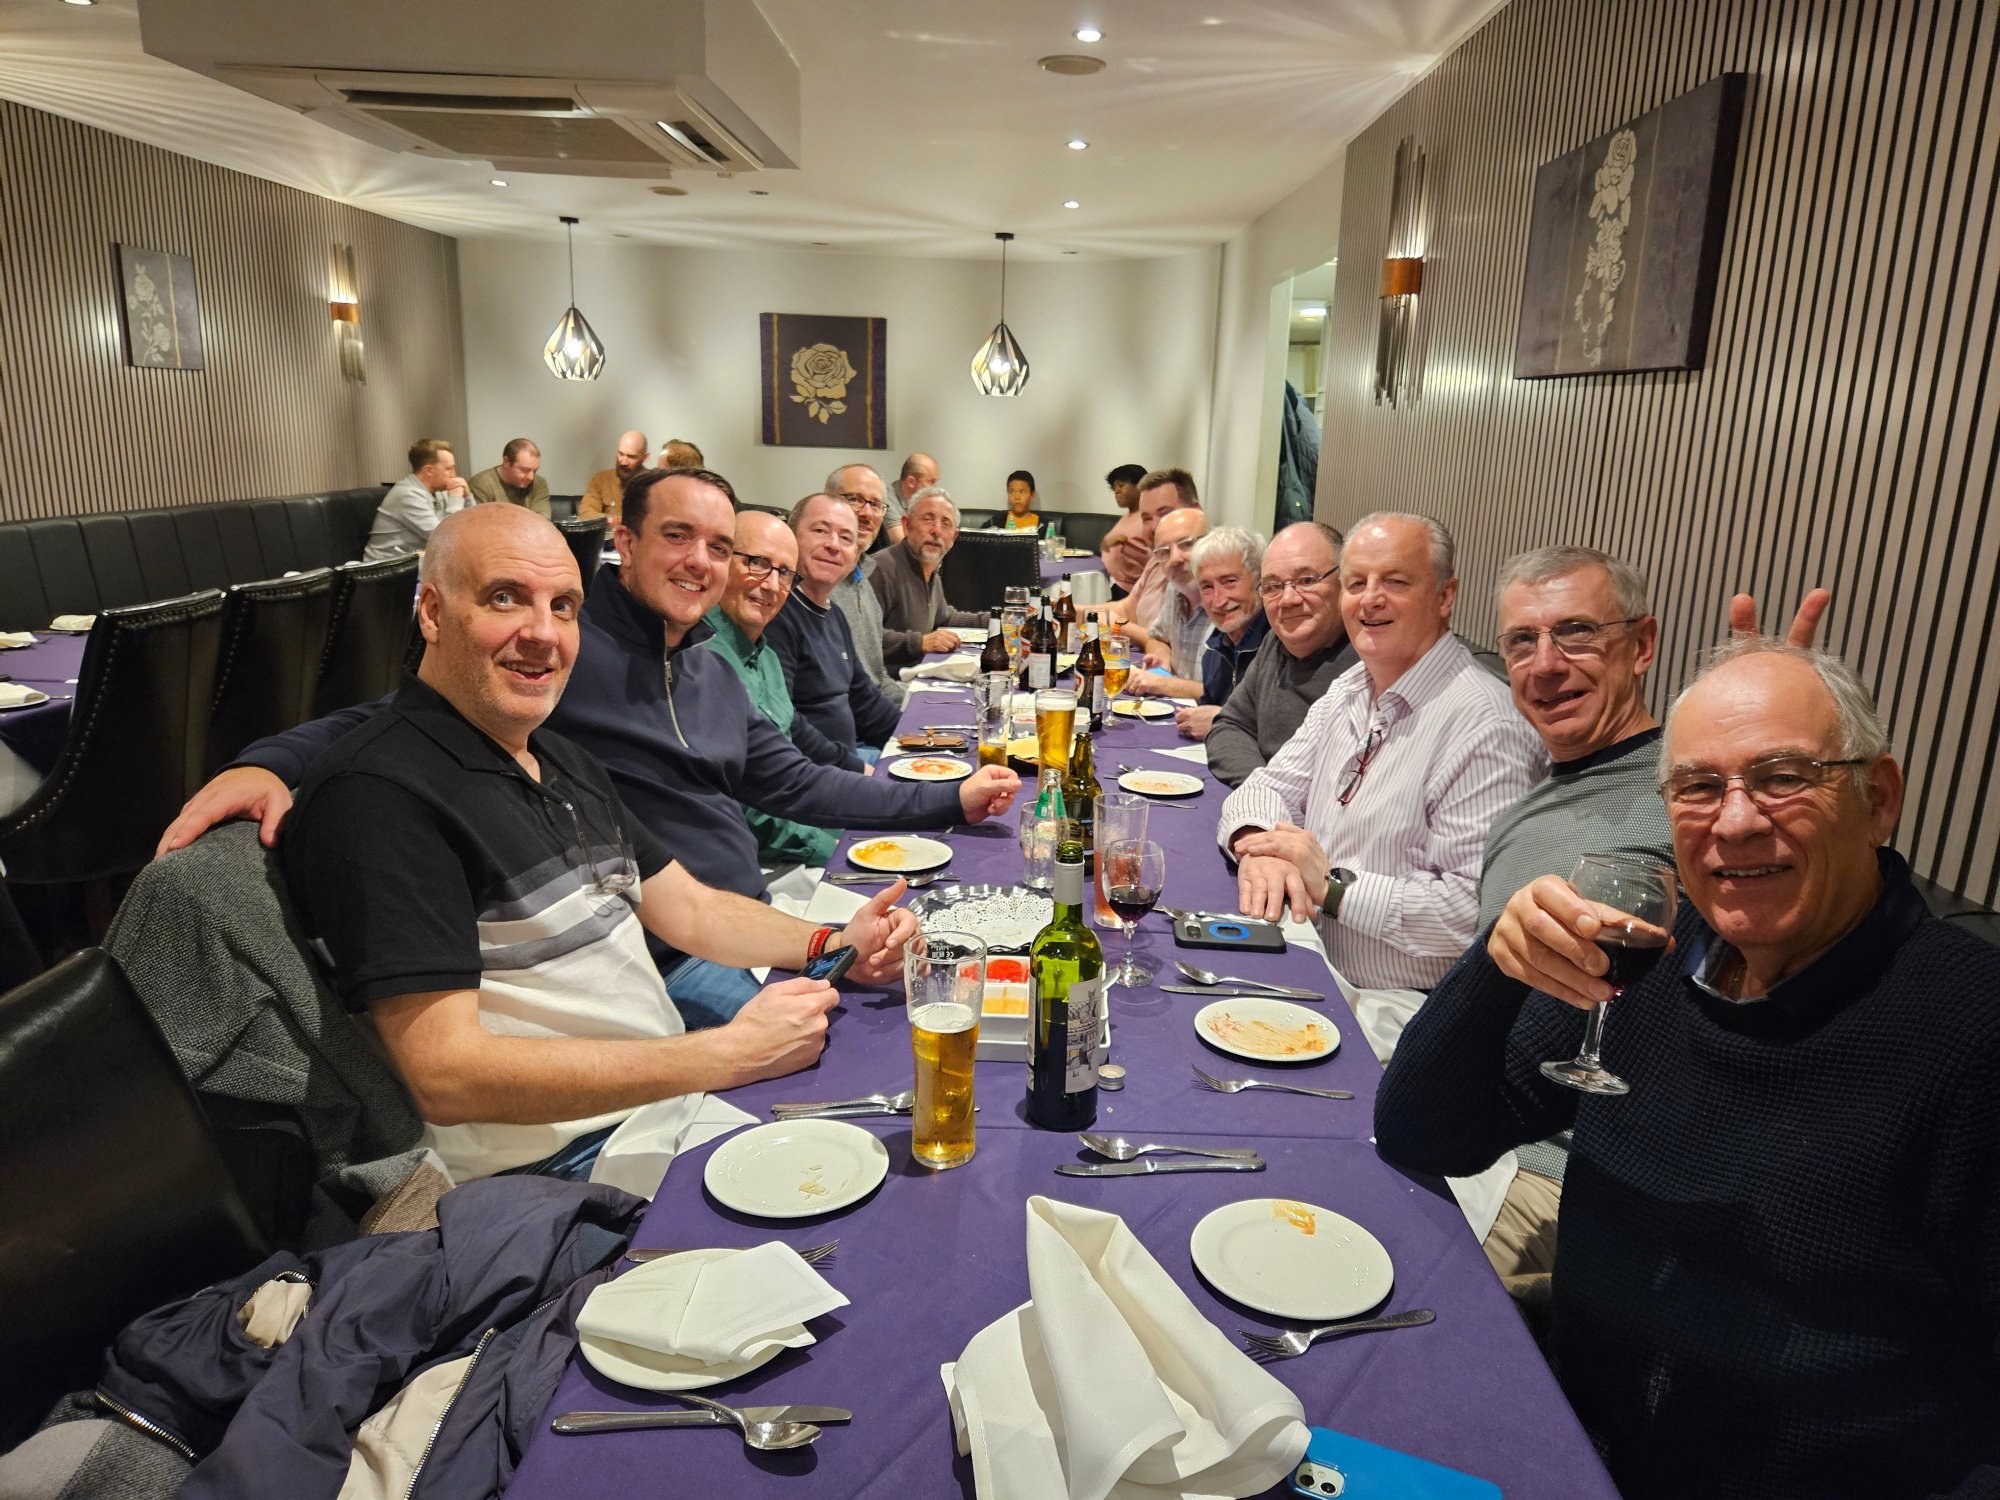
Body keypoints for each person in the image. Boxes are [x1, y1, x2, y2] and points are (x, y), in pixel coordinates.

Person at [1376, 639, 2000, 1500]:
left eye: (1782, 777)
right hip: (1566, 1439)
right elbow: (1420, 1132)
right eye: (1699, 787)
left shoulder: (1974, 1030)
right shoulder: (1652, 957)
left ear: (1878, 799)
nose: (1735, 822)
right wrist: (1497, 964)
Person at [165, 468, 1020, 1029]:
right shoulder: (561, 657)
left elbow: (798, 780)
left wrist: (948, 801)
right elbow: (397, 718)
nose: (702, 562)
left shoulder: (709, 668)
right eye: (678, 536)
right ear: (626, 539)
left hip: (739, 919)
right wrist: (265, 762)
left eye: (719, 548)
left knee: (930, 983)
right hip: (660, 952)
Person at [281, 504, 902, 1187]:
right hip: (562, 1167)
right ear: (431, 613)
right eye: (505, 598)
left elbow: (692, 910)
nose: (542, 633)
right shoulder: (380, 795)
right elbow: (446, 1076)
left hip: (663, 1105)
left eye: (564, 607)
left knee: (894, 1085)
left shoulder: (558, 757)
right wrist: (725, 1053)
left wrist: (832, 941)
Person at [1216, 512, 1544, 1060]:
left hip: (1403, 1012)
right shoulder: (1353, 687)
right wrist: (1260, 845)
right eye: (1356, 583)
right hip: (1317, 961)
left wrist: (1333, 888)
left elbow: (1471, 915)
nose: (1370, 600)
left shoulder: (1487, 726)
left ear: (1445, 596)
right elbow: (1267, 786)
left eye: (1395, 581)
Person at [1206, 521, 1356, 788]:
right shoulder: (1275, 643)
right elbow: (1230, 726)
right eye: (1273, 586)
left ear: (1345, 581)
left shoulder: (1369, 660)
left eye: (1307, 581)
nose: (1288, 599)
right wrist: (1264, 792)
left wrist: (1270, 795)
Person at [765, 493, 908, 769]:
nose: (833, 545)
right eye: (820, 531)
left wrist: (920, 741)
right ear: (791, 538)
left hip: (847, 762)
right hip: (814, 773)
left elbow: (864, 701)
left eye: (846, 538)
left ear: (855, 554)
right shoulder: (776, 614)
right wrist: (856, 769)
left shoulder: (834, 615)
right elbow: (785, 722)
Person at [867, 487, 985, 670]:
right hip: (887, 682)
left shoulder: (929, 571)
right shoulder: (880, 569)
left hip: (917, 674)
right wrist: (920, 643)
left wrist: (1001, 619)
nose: (936, 530)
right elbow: (864, 638)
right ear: (907, 525)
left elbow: (945, 618)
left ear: (954, 537)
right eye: (928, 519)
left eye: (945, 523)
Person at [821, 463, 907, 705]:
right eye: (854, 499)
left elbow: (877, 676)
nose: (867, 513)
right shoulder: (818, 585)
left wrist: (910, 710)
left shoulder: (865, 581)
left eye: (876, 504)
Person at [1177, 528, 1272, 740]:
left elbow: (1288, 735)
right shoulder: (1216, 647)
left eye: (1229, 581)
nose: (1218, 601)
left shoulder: (1280, 647)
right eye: (1207, 586)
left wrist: (1223, 721)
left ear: (1260, 581)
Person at [1090, 469, 1199, 645]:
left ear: (1195, 511)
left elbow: (1169, 645)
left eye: (1165, 514)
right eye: (1146, 519)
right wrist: (1064, 608)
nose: (1155, 526)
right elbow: (1126, 608)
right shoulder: (1157, 561)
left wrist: (1118, 625)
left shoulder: (1207, 570)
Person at [1127, 508, 1214, 698]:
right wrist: (1161, 659)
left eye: (1187, 544)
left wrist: (1164, 684)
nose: (1175, 559)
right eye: (1164, 552)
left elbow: (1228, 695)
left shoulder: (1229, 606)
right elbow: (1158, 638)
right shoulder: (1176, 589)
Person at [362, 438, 471, 561]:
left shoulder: (440, 491)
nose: (454, 474)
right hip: (388, 568)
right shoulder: (408, 495)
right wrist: (456, 499)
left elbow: (474, 528)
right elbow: (446, 539)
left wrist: (467, 496)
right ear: (429, 470)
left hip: (418, 563)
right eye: (449, 469)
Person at [465, 437, 551, 518]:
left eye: (535, 471)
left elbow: (541, 520)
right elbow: (480, 523)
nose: (531, 477)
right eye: (525, 470)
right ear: (506, 462)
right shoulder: (481, 484)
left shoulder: (539, 483)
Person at [578, 431, 650, 525]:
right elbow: (585, 514)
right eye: (621, 454)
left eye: (631, 457)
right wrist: (618, 521)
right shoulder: (601, 479)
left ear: (645, 457)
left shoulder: (654, 483)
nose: (623, 462)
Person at [884, 451, 939, 548]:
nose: (935, 488)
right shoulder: (886, 499)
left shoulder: (922, 501)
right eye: (931, 481)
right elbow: (902, 542)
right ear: (911, 482)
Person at [985, 469, 1043, 534]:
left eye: (1021, 492)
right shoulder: (995, 522)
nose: (1016, 497)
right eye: (1012, 492)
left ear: (1032, 495)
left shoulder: (1044, 526)